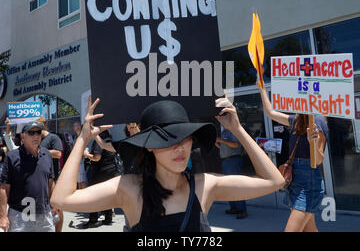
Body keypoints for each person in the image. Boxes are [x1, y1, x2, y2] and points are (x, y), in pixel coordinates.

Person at [51, 96, 285, 232]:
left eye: (185, 139)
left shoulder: (204, 186)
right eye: (168, 140)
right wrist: (83, 139)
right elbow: (61, 199)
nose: (180, 148)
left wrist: (237, 129)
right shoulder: (130, 189)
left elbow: (274, 181)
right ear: (149, 146)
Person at [258, 84, 328, 232]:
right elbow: (270, 113)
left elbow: (320, 159)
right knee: (309, 230)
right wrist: (261, 87)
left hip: (309, 185)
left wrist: (313, 144)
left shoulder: (318, 120)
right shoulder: (296, 120)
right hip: (295, 182)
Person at [0, 122, 56, 232]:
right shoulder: (12, 157)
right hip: (19, 215)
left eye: (38, 132)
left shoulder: (47, 155)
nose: (35, 136)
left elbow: (50, 182)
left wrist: (54, 206)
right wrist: (2, 216)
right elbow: (4, 188)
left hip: (44, 214)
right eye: (31, 133)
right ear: (22, 136)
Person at [83, 130, 121, 228]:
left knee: (93, 195)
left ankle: (93, 220)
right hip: (110, 171)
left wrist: (86, 154)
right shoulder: (109, 139)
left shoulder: (99, 141)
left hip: (100, 172)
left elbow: (97, 157)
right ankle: (108, 218)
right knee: (106, 196)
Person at [35, 117, 64, 232]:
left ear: (43, 125)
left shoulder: (53, 137)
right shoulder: (37, 140)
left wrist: (40, 150)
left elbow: (58, 153)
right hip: (40, 179)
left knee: (57, 207)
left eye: (37, 126)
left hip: (54, 179)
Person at [215, 126, 247, 219]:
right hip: (225, 160)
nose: (220, 121)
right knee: (228, 186)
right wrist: (215, 142)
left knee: (236, 185)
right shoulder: (224, 132)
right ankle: (234, 208)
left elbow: (236, 145)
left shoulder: (233, 130)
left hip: (233, 160)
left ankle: (242, 210)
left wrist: (220, 140)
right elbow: (222, 146)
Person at [73, 121, 87, 189]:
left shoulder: (83, 135)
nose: (77, 127)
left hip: (82, 160)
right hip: (77, 161)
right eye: (75, 126)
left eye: (78, 125)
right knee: (78, 180)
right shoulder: (74, 137)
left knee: (83, 179)